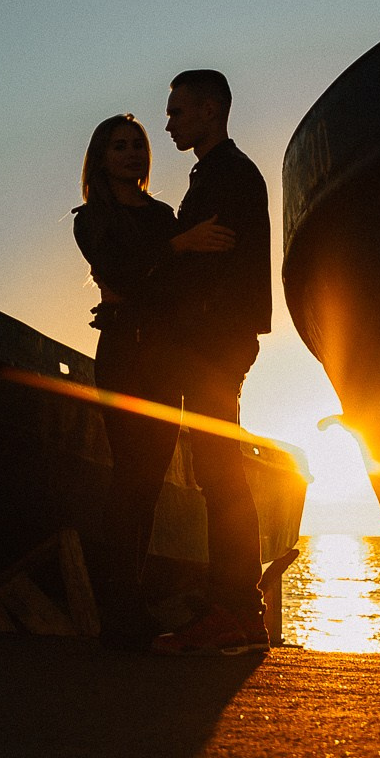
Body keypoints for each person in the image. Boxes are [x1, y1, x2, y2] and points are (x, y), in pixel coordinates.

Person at [70, 114, 235, 650]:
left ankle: (131, 604)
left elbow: (169, 287)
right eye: (119, 146)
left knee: (153, 482)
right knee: (130, 479)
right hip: (123, 353)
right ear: (101, 157)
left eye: (138, 146)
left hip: (164, 356)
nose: (132, 154)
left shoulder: (165, 215)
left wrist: (166, 263)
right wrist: (176, 250)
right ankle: (118, 608)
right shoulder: (91, 217)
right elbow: (120, 270)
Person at [144, 68, 272, 656]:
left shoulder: (227, 175)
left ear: (210, 110)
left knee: (219, 472)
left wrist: (163, 260)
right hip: (217, 339)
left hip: (213, 342)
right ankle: (239, 608)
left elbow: (204, 268)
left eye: (177, 111)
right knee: (216, 469)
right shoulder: (217, 173)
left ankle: (238, 610)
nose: (168, 121)